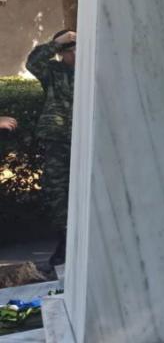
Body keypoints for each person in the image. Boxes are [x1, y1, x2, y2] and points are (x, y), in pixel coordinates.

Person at [26, 29, 76, 267]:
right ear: (62, 53)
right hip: (59, 140)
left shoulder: (92, 70)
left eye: (78, 48)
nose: (76, 53)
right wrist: (56, 42)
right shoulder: (53, 72)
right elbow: (33, 63)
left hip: (86, 140)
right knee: (56, 192)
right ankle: (66, 239)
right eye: (71, 49)